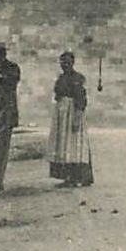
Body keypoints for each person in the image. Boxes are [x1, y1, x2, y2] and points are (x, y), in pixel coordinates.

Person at [49, 51, 94, 187]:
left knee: (74, 146)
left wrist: (76, 118)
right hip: (62, 116)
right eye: (63, 63)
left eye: (68, 63)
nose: (65, 65)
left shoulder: (77, 78)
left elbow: (81, 100)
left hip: (73, 113)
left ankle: (77, 177)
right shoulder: (61, 78)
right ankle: (67, 176)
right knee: (63, 145)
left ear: (72, 63)